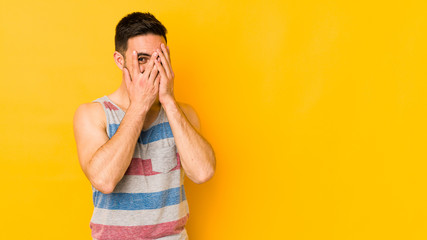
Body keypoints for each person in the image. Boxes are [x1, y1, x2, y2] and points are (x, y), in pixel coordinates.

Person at [73, 12, 216, 240]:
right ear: (120, 61)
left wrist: (168, 100)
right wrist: (139, 106)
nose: (153, 68)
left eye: (160, 59)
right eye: (142, 59)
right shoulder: (92, 114)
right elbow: (104, 180)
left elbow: (202, 172)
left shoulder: (183, 114)